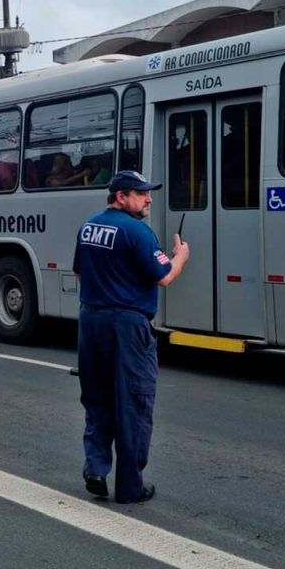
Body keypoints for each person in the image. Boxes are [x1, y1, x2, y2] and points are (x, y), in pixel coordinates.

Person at [72, 171, 189, 504]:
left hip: (91, 320)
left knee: (96, 397)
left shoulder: (89, 226)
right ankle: (130, 486)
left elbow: (79, 272)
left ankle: (95, 468)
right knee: (134, 403)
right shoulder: (139, 232)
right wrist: (180, 256)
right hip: (127, 324)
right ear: (121, 196)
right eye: (141, 194)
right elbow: (164, 276)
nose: (149, 199)